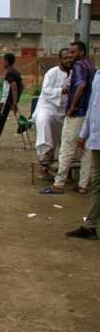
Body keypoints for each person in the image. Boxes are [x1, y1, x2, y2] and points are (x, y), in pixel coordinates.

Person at [42, 41, 95, 195]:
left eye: (73, 52)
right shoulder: (90, 66)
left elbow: (81, 86)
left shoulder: (79, 66)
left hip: (78, 114)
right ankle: (83, 185)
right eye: (69, 53)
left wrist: (72, 107)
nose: (70, 56)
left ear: (81, 52)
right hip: (88, 114)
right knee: (86, 150)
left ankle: (58, 185)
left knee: (66, 148)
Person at [66, 67, 100, 240]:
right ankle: (90, 226)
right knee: (97, 184)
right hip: (96, 139)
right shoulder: (98, 76)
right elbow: (93, 108)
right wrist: (83, 134)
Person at [33, 48, 72, 180]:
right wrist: (62, 90)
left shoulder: (73, 73)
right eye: (65, 58)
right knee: (44, 125)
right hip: (48, 107)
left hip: (64, 111)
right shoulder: (52, 73)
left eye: (70, 58)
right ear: (60, 59)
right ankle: (44, 168)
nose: (68, 60)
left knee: (66, 138)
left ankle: (67, 171)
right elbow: (46, 91)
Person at [0, 53, 24, 141]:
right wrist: (16, 99)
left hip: (6, 101)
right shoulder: (15, 71)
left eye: (3, 61)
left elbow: (14, 87)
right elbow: (22, 87)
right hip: (9, 101)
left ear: (7, 61)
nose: (2, 63)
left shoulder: (9, 72)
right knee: (1, 120)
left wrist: (14, 103)